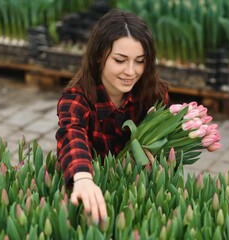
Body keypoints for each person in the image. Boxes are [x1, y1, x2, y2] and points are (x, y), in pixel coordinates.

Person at [55, 8, 169, 224]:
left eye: (140, 61)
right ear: (99, 56)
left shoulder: (153, 93)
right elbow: (72, 134)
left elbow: (168, 133)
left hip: (138, 192)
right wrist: (82, 178)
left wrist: (193, 135)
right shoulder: (78, 98)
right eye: (120, 60)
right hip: (92, 189)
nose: (131, 71)